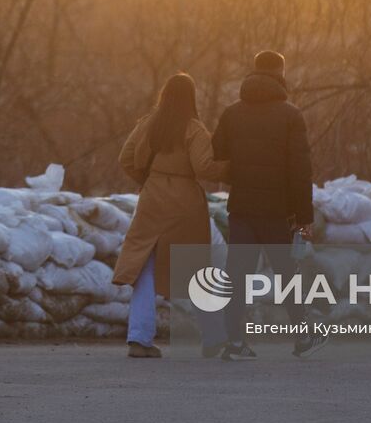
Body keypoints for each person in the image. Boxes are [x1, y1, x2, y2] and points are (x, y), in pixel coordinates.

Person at [213, 50, 327, 359]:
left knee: (237, 275)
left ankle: (234, 342)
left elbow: (218, 154)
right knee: (287, 274)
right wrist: (304, 217)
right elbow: (300, 172)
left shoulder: (232, 113)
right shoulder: (290, 115)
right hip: (278, 212)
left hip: (242, 209)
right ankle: (303, 338)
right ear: (280, 72)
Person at [112, 72, 230, 358]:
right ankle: (214, 337)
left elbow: (125, 158)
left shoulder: (147, 125)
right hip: (185, 205)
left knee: (144, 268)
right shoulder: (194, 130)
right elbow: (204, 167)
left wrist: (150, 178)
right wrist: (231, 168)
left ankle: (139, 340)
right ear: (191, 98)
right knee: (195, 270)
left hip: (152, 201)